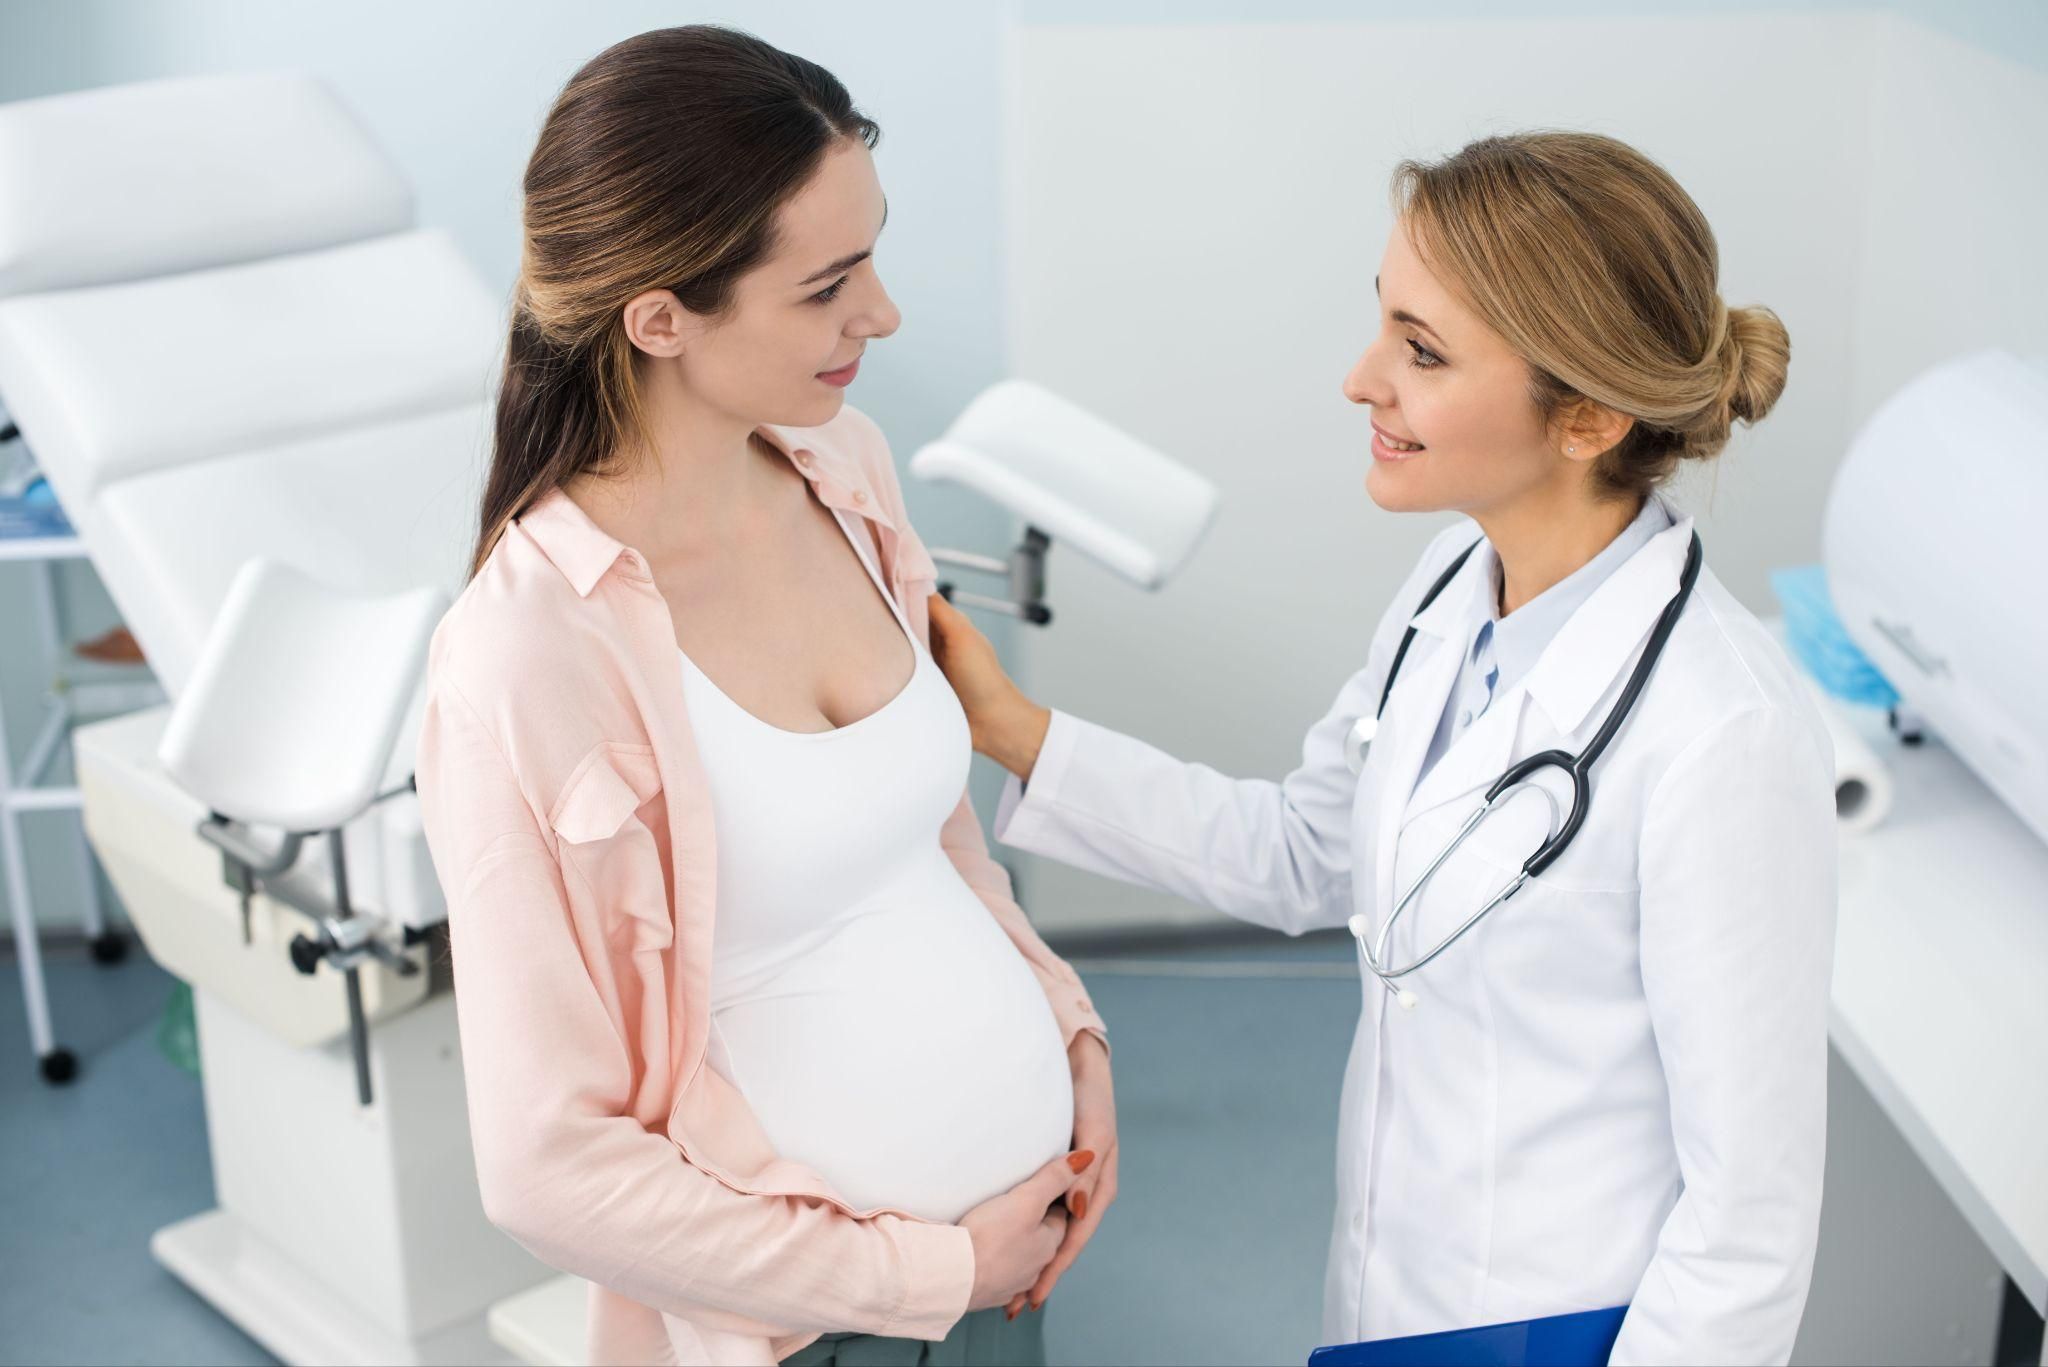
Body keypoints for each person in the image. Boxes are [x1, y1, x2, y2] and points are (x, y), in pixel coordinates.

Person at [929, 132, 1836, 1364]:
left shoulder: (1722, 733)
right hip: (1390, 1295)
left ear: (1584, 414)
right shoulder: (1452, 585)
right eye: (1382, 327)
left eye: (1420, 351)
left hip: (1564, 1330)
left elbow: (1748, 1222)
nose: (1361, 380)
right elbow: (1310, 851)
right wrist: (1011, 730)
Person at [413, 26, 1115, 1367]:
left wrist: (1070, 1033)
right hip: (820, 1325)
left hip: (1014, 1251)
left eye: (875, 254)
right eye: (829, 285)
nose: (885, 313)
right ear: (661, 316)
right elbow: (544, 1165)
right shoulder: (524, 651)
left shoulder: (845, 468)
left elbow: (931, 839)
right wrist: (929, 1267)